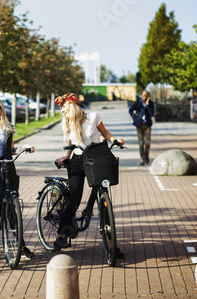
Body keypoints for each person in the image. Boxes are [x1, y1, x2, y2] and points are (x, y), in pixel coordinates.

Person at [54, 93, 125, 255]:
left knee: (103, 197)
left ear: (72, 106)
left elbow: (105, 133)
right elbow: (72, 142)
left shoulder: (93, 117)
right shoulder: (68, 122)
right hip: (77, 161)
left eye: (64, 108)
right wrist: (67, 157)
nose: (62, 111)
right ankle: (61, 235)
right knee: (74, 199)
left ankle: (112, 244)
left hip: (95, 159)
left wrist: (115, 140)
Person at [0, 96, 35, 261]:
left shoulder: (7, 128)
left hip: (6, 168)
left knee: (11, 209)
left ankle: (21, 247)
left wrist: (24, 148)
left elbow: (11, 149)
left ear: (2, 110)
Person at [128, 90, 154, 165]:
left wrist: (147, 104)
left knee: (147, 143)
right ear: (141, 96)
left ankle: (146, 156)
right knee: (141, 143)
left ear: (148, 96)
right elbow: (130, 110)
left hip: (147, 125)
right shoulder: (138, 103)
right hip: (139, 124)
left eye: (146, 96)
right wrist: (135, 118)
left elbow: (151, 113)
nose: (144, 97)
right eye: (143, 95)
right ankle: (142, 159)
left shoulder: (150, 103)